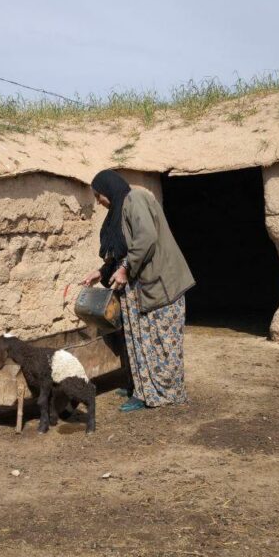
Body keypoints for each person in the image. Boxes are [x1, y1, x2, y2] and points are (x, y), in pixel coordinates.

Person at [82, 170, 195, 411]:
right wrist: (102, 272)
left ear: (108, 189)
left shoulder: (136, 200)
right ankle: (144, 386)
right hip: (141, 287)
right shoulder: (121, 209)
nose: (98, 201)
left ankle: (163, 391)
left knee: (161, 341)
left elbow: (145, 239)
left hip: (161, 284)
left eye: (98, 195)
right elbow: (122, 249)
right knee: (141, 338)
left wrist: (125, 270)